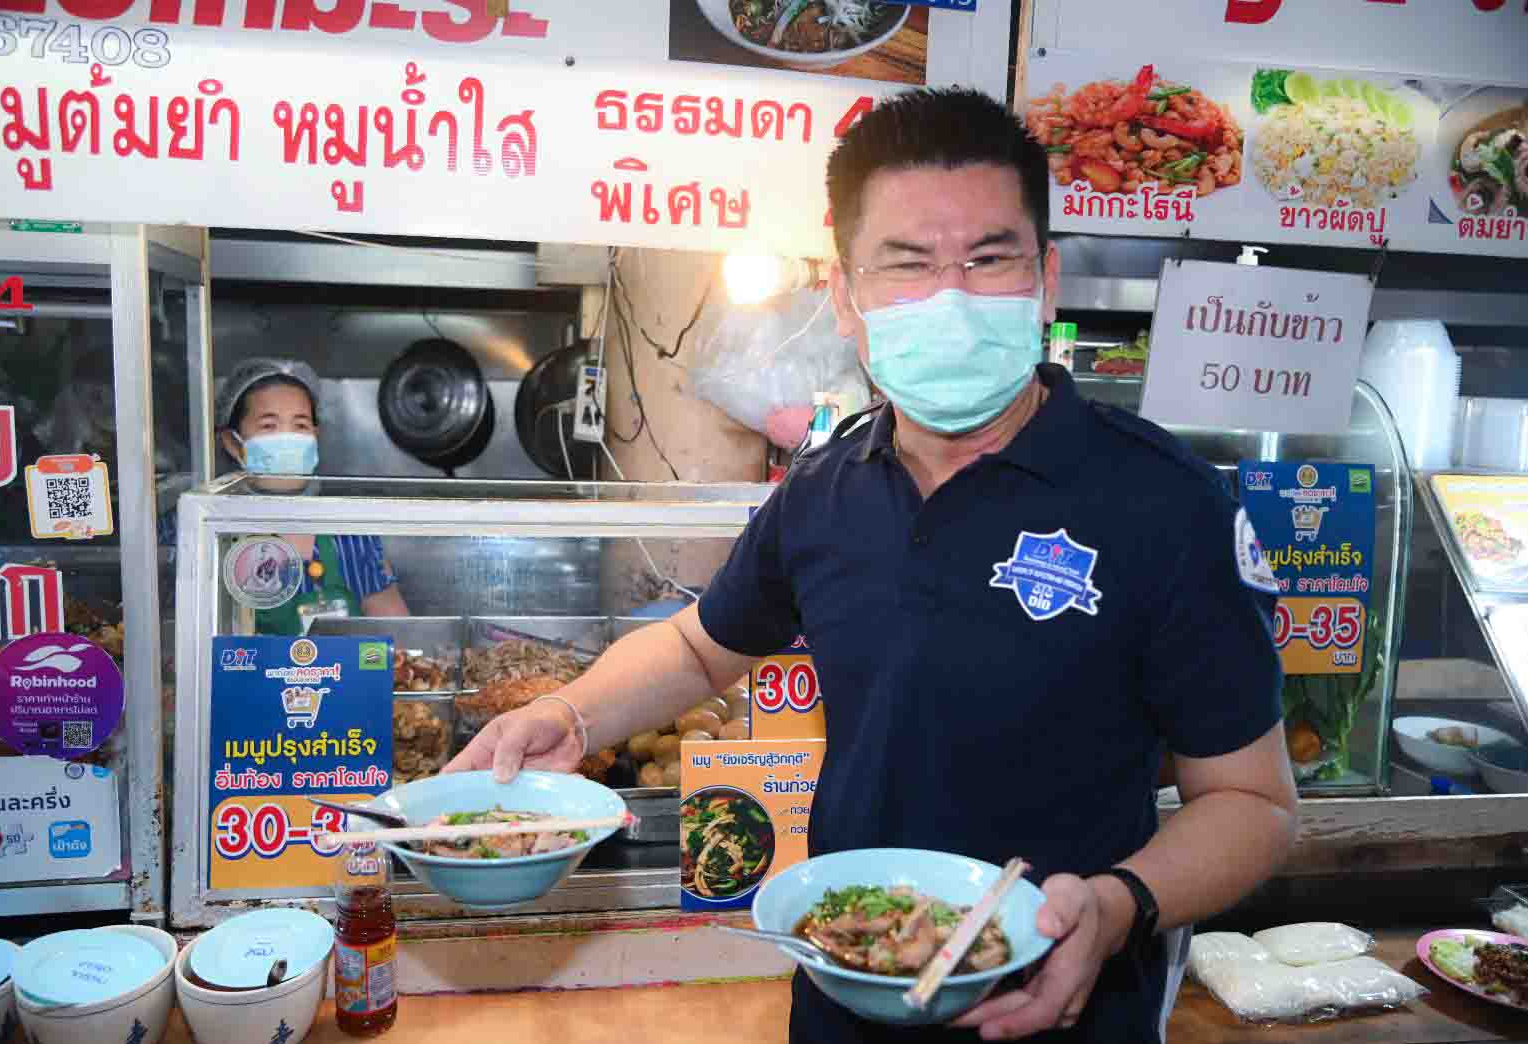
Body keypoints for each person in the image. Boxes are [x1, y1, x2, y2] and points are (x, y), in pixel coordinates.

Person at [446, 88, 1297, 1043]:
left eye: (988, 259)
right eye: (907, 265)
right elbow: (697, 649)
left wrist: (1116, 905)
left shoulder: (1166, 502)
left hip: (1065, 1005)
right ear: (845, 297)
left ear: (1044, 277)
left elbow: (1252, 802)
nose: (952, 297)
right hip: (844, 987)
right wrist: (568, 714)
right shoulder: (823, 487)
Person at [161, 358, 409, 633]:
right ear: (233, 443)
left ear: (315, 435)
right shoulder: (200, 531)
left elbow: (399, 638)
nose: (288, 438)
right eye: (269, 426)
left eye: (300, 425)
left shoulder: (351, 536)